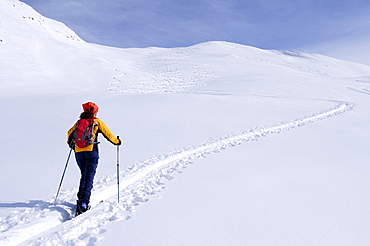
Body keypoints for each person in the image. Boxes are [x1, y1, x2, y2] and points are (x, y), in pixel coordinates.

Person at [67, 102, 121, 215]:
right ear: (95, 111)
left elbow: (69, 134)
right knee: (89, 177)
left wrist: (72, 146)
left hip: (78, 153)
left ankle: (80, 199)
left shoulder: (79, 122)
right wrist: (117, 142)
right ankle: (84, 203)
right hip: (92, 152)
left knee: (84, 175)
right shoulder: (96, 122)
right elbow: (108, 134)